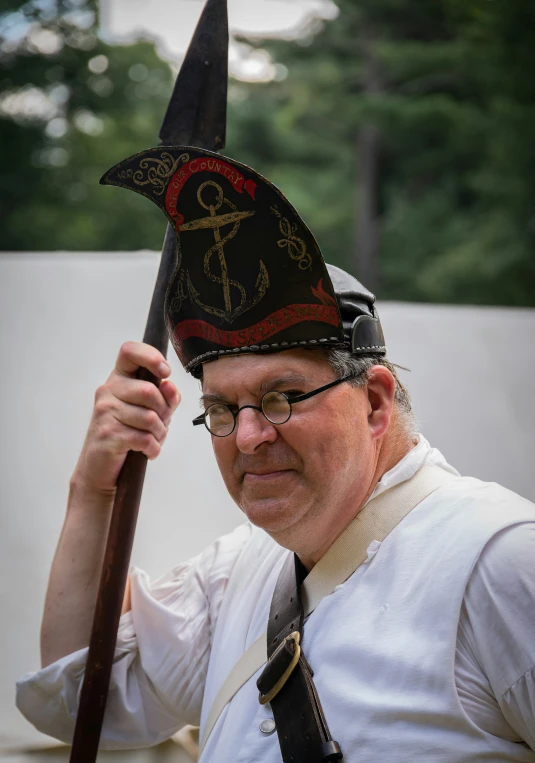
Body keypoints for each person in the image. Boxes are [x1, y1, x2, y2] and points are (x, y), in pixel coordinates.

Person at [17, 147, 535, 762]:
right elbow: (84, 698)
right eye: (222, 409)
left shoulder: (502, 562)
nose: (247, 437)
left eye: (282, 397)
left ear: (373, 403)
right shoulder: (238, 571)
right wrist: (93, 489)